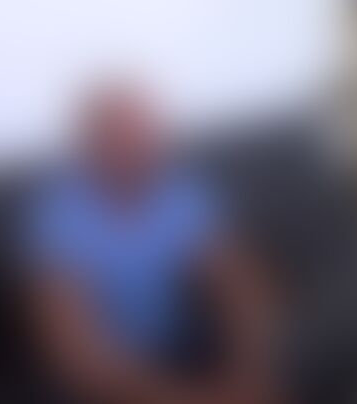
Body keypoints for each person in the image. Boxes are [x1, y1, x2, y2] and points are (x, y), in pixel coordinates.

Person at [23, 77, 280, 404]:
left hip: (182, 350)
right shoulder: (55, 218)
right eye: (118, 136)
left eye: (143, 132)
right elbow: (81, 359)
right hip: (102, 377)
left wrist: (251, 373)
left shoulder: (181, 191)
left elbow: (242, 290)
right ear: (90, 144)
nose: (135, 146)